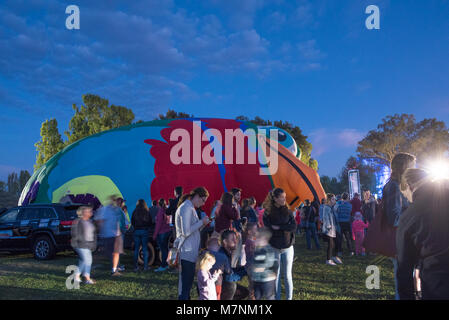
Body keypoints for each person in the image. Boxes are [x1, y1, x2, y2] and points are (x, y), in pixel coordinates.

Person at [397, 168, 449, 300]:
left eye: (404, 194)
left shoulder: (409, 216)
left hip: (437, 283)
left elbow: (404, 267)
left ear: (409, 186)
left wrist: (407, 296)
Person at [383, 152, 416, 300]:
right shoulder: (394, 187)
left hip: (407, 240)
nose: (414, 168)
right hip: (400, 241)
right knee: (403, 284)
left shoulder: (401, 186)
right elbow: (394, 218)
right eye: (412, 165)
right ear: (404, 167)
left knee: (409, 281)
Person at [175, 187, 211, 300]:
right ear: (197, 196)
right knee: (186, 284)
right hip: (187, 251)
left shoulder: (190, 207)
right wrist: (201, 222)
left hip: (189, 251)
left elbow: (192, 231)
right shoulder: (186, 208)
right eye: (203, 200)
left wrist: (203, 224)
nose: (204, 203)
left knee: (186, 284)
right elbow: (186, 231)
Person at [262, 188, 296, 300]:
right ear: (275, 199)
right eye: (281, 197)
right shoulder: (268, 213)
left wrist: (280, 227)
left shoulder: (288, 211)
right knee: (275, 277)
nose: (284, 199)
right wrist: (283, 228)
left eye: (284, 197)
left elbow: (293, 227)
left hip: (288, 247)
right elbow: (268, 229)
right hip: (274, 247)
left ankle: (289, 298)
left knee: (287, 276)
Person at [95, 195, 127, 276]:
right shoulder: (105, 210)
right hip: (108, 235)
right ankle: (113, 268)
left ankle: (114, 269)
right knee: (110, 253)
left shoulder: (116, 210)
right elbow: (99, 221)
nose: (114, 202)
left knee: (116, 253)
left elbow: (119, 222)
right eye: (113, 200)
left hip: (116, 235)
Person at [218, 229, 248, 300]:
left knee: (244, 292)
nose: (235, 241)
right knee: (231, 286)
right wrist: (246, 271)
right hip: (215, 286)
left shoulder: (226, 252)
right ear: (225, 242)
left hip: (222, 283)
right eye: (232, 239)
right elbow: (229, 277)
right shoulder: (222, 255)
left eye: (236, 239)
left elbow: (230, 271)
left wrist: (245, 267)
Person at [250, 227, 278, 300]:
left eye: (257, 239)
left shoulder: (268, 250)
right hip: (257, 279)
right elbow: (254, 262)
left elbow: (271, 263)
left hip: (267, 279)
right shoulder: (257, 250)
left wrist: (260, 268)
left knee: (269, 296)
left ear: (264, 240)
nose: (254, 241)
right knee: (256, 296)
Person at [71, 206, 97, 284]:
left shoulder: (90, 221)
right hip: (80, 244)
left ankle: (76, 276)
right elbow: (74, 233)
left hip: (89, 244)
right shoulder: (78, 221)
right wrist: (77, 242)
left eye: (90, 211)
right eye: (88, 211)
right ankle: (87, 278)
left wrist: (94, 243)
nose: (90, 212)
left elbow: (94, 233)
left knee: (83, 261)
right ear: (83, 213)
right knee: (88, 260)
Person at [131, 199, 152, 271]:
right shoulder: (147, 211)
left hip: (136, 231)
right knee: (145, 249)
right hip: (144, 231)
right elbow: (150, 221)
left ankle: (135, 267)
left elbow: (132, 222)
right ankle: (145, 267)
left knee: (136, 249)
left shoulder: (134, 211)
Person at [322, 193, 342, 266]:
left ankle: (334, 256)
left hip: (334, 228)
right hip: (329, 229)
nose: (335, 200)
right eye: (333, 199)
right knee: (331, 245)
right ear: (329, 200)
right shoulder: (326, 208)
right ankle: (328, 259)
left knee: (337, 242)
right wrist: (328, 226)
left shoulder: (332, 207)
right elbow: (325, 218)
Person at [153, 198, 172, 272]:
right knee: (166, 249)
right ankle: (167, 264)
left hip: (162, 233)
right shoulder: (166, 210)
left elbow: (158, 224)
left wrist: (155, 234)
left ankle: (163, 265)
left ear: (158, 204)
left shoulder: (160, 211)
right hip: (167, 231)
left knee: (163, 250)